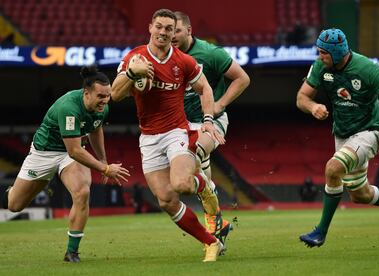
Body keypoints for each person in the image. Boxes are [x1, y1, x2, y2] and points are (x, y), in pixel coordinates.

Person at [111, 9, 226, 262]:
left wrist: (208, 120)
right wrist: (132, 74)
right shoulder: (134, 57)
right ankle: (211, 242)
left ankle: (205, 187)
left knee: (182, 184)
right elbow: (115, 95)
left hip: (177, 132)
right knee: (165, 200)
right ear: (150, 27)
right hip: (149, 137)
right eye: (159, 27)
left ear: (174, 32)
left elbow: (205, 87)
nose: (163, 32)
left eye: (169, 29)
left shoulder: (183, 61)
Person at [296, 28, 379, 247]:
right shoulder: (321, 66)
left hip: (370, 132)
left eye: (323, 52)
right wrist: (312, 107)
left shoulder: (367, 69)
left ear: (337, 53)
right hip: (343, 135)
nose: (319, 56)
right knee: (360, 194)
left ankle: (320, 232)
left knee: (333, 169)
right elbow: (301, 97)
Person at [1, 65, 130, 262]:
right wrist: (104, 168)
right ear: (86, 93)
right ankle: (21, 188)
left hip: (69, 155)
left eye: (108, 95)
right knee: (15, 205)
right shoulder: (69, 107)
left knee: (82, 192)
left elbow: (95, 129)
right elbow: (75, 150)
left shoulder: (101, 108)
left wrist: (103, 158)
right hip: (45, 153)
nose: (105, 100)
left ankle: (72, 252)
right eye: (101, 96)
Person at [172, 11, 250, 242]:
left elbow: (242, 78)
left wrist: (220, 104)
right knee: (198, 178)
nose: (172, 35)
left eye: (177, 30)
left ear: (189, 30)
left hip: (211, 122)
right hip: (180, 126)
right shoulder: (166, 55)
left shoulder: (209, 53)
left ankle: (214, 224)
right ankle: (219, 224)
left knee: (195, 155)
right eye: (169, 31)